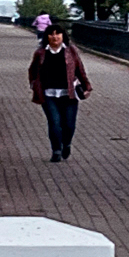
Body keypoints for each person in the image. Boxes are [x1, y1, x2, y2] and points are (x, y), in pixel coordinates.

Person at [28, 20, 92, 162]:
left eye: (58, 34)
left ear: (63, 36)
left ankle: (66, 144)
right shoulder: (41, 53)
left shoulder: (71, 51)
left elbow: (79, 69)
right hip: (48, 94)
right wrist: (34, 85)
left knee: (69, 124)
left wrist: (87, 86)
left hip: (68, 93)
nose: (55, 37)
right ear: (47, 37)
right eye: (51, 34)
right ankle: (56, 150)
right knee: (54, 122)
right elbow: (32, 71)